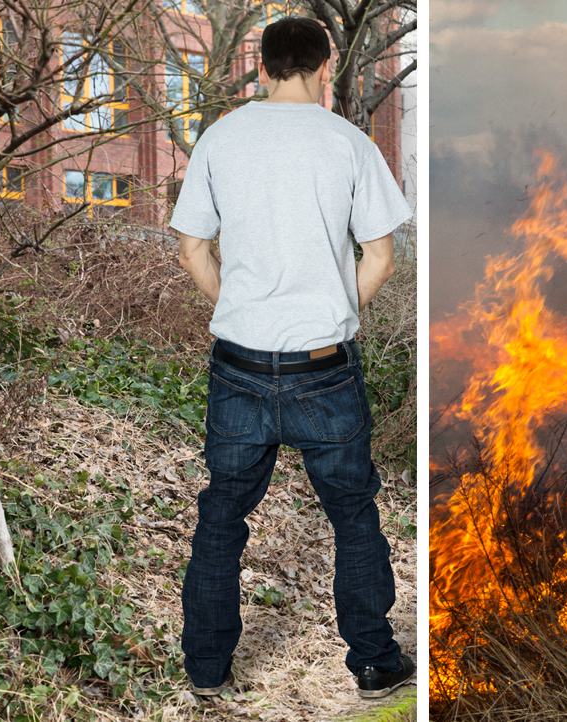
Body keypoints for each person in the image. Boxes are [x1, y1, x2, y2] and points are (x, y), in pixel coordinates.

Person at [170, 16, 414, 703]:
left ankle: (207, 670)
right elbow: (382, 256)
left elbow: (192, 246)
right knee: (354, 514)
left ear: (264, 64)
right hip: (323, 368)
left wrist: (241, 313)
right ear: (323, 65)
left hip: (239, 364)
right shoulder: (349, 144)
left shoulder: (220, 138)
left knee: (222, 514)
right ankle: (372, 663)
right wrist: (333, 312)